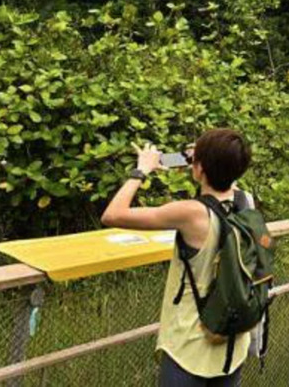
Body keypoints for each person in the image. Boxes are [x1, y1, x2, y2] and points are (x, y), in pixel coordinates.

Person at [100, 129, 255, 386]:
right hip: (233, 341)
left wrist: (142, 169)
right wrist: (203, 160)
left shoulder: (191, 214)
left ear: (200, 169)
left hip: (190, 345)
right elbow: (225, 175)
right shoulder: (245, 201)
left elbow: (112, 214)